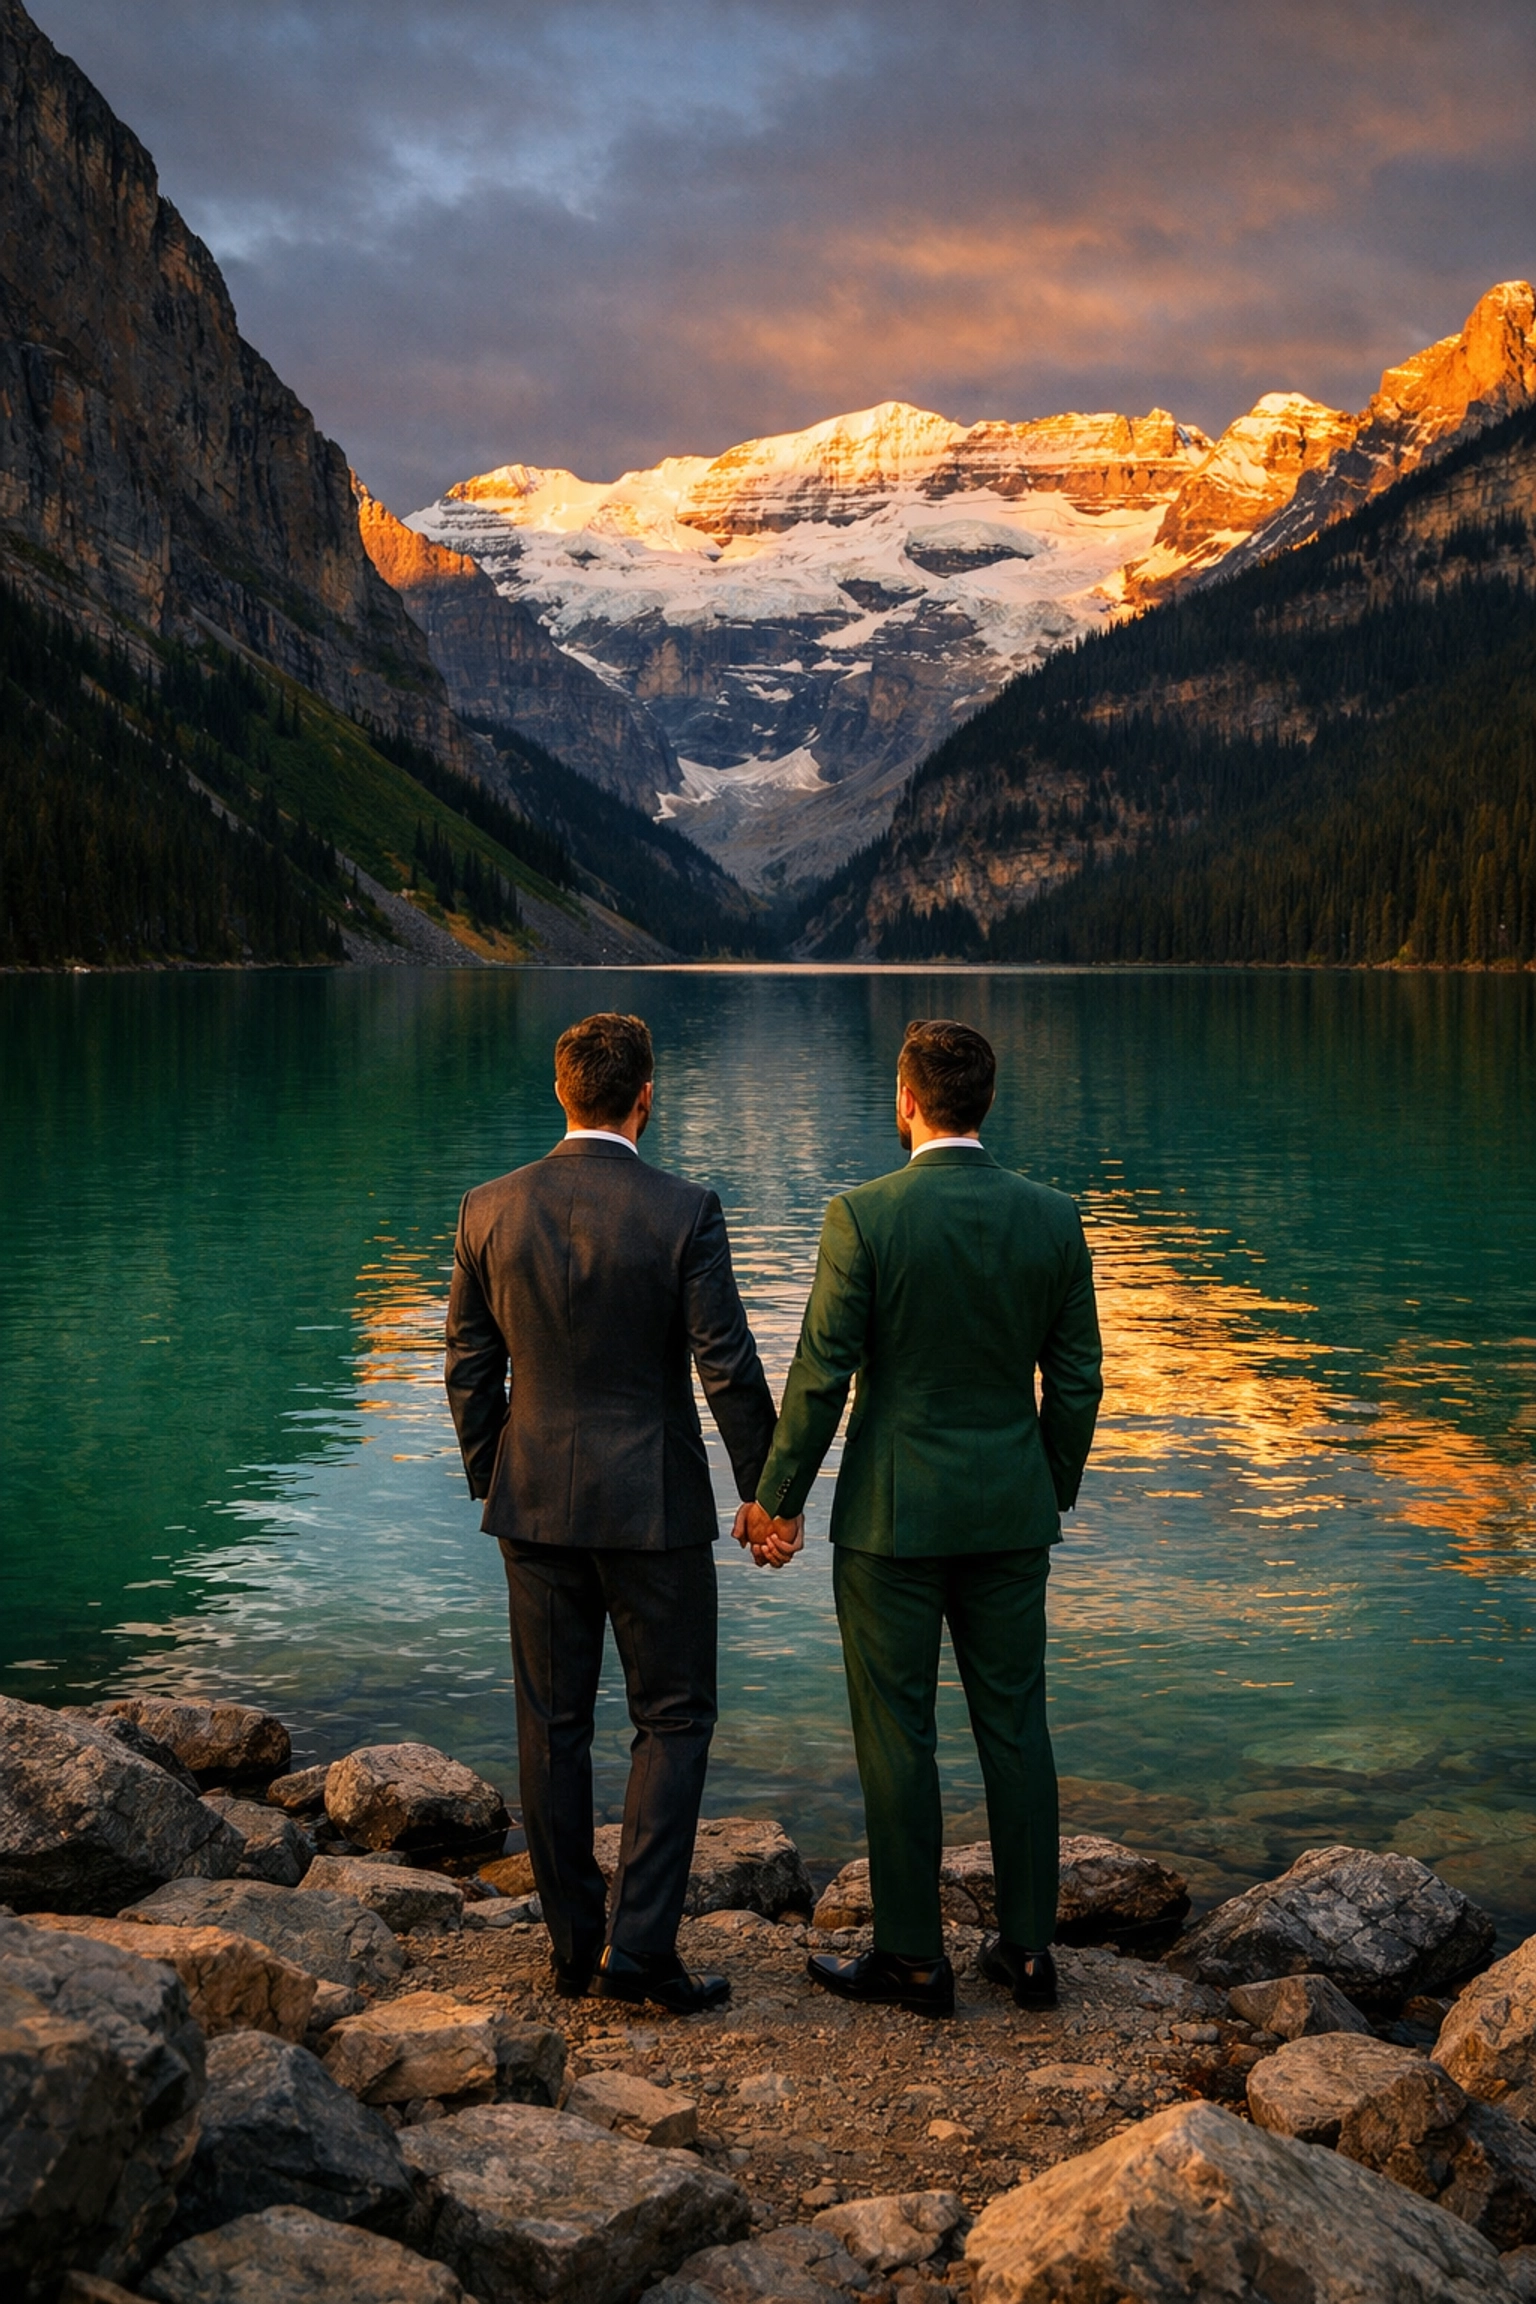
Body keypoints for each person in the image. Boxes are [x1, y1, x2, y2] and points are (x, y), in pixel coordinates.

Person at [740, 1019, 1102, 2017]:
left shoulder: (865, 1215)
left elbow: (821, 1379)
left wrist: (776, 1503)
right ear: (985, 1103)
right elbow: (1076, 1384)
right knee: (1017, 1729)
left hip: (891, 1524)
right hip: (1010, 1514)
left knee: (899, 1737)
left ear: (906, 1103)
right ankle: (1029, 1953)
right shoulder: (1054, 1219)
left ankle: (912, 1959)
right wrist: (1047, 1486)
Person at [446, 1012, 790, 2015]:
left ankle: (567, 1949)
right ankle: (639, 1954)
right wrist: (765, 1494)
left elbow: (471, 1372)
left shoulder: (487, 1209)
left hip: (535, 1504)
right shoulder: (683, 1209)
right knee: (673, 1720)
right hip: (656, 1509)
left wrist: (498, 1481)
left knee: (550, 1728)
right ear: (646, 1096)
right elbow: (725, 1365)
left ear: (564, 1094)